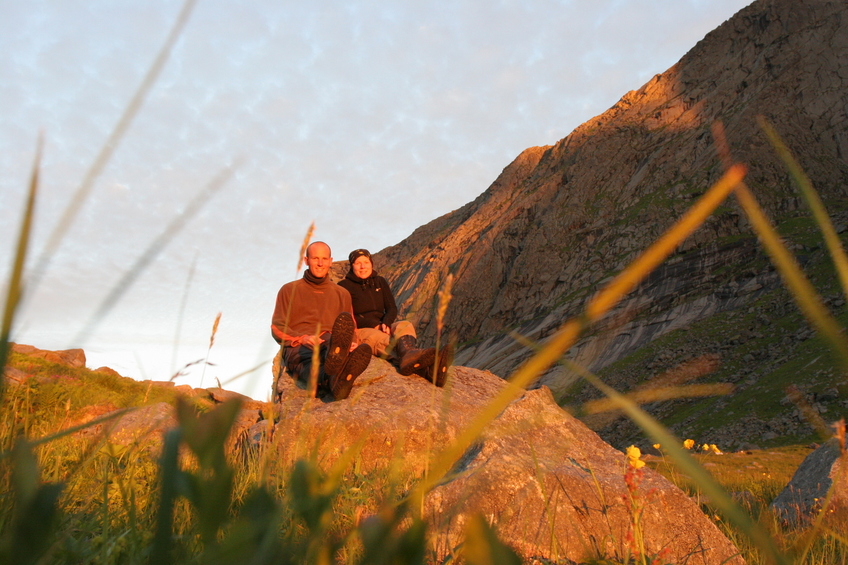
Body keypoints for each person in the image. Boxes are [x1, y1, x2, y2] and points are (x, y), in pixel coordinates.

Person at [271, 241, 371, 400]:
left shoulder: (342, 293)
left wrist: (352, 342)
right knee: (307, 360)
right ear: (306, 260)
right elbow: (277, 327)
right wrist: (302, 339)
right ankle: (335, 379)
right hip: (302, 345)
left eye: (324, 259)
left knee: (332, 346)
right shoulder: (289, 290)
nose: (320, 263)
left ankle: (337, 367)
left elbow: (349, 327)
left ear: (331, 261)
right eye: (315, 258)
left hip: (330, 341)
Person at [338, 248, 452, 387]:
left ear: (371, 263)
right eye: (358, 263)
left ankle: (410, 354)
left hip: (383, 324)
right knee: (382, 340)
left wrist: (386, 322)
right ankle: (429, 369)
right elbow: (346, 315)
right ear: (352, 266)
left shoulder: (380, 282)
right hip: (362, 329)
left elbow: (391, 308)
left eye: (366, 262)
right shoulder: (344, 287)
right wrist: (374, 324)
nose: (363, 266)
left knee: (405, 324)